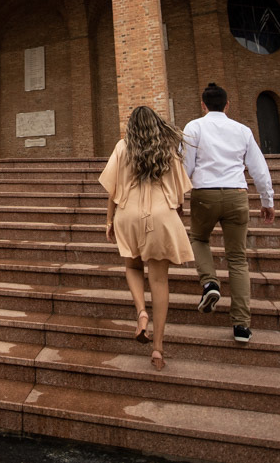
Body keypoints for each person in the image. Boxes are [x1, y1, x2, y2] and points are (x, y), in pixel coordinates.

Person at [99, 106, 193, 370]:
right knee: (159, 280)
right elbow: (178, 192)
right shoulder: (167, 148)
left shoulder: (122, 147)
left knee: (132, 266)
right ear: (156, 125)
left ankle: (141, 311)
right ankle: (158, 349)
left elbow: (112, 189)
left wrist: (108, 220)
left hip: (127, 213)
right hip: (160, 213)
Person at [182, 83, 276, 344]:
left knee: (199, 239)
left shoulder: (194, 127)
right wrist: (267, 200)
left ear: (203, 105)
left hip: (205, 195)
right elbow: (259, 168)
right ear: (227, 104)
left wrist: (177, 197)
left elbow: (185, 165)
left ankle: (210, 282)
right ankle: (241, 325)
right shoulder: (242, 130)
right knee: (237, 259)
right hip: (236, 194)